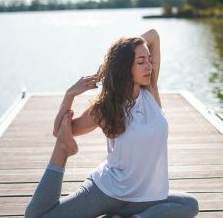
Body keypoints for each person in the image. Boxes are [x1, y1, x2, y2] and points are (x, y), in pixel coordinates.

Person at [25, 29, 199, 218]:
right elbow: (61, 131)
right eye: (141, 62)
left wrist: (114, 60)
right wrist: (70, 95)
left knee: (189, 205)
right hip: (107, 191)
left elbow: (154, 36)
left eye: (149, 59)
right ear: (125, 67)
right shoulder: (106, 108)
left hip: (144, 197)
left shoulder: (150, 92)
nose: (149, 65)